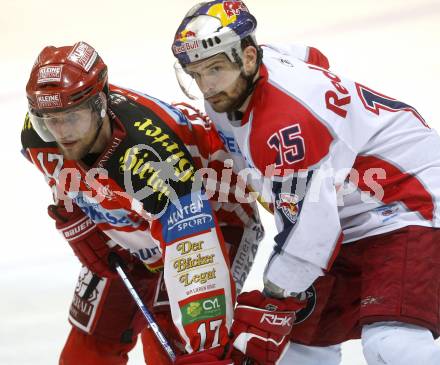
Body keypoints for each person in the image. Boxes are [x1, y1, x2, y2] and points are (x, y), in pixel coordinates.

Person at [171, 1, 440, 365]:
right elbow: (313, 56)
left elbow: (313, 235)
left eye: (215, 68)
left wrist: (273, 299)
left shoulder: (283, 124)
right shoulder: (250, 76)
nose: (206, 86)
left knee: (392, 345)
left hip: (407, 201)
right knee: (293, 353)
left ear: (248, 57)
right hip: (346, 213)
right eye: (196, 73)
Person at [22, 41, 265, 365]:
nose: (62, 132)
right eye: (50, 120)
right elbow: (64, 176)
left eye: (72, 118)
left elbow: (196, 254)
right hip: (134, 219)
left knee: (181, 348)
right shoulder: (39, 136)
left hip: (216, 215)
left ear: (100, 104)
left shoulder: (151, 159)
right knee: (87, 350)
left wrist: (207, 342)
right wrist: (76, 219)